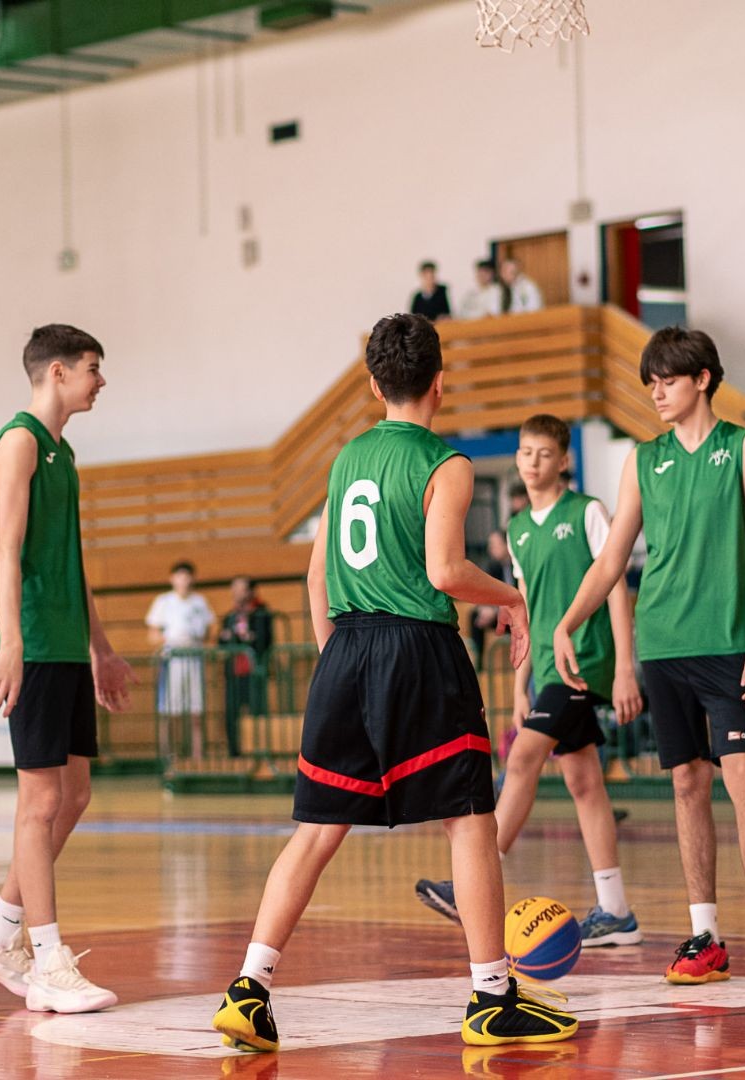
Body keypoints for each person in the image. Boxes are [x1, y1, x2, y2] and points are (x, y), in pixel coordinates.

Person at [211, 313, 578, 1053]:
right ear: (440, 383)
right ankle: (492, 997)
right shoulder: (447, 464)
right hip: (418, 649)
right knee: (469, 819)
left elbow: (316, 575)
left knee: (316, 832)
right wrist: (512, 598)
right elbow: (445, 571)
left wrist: (339, 661)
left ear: (374, 386)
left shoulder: (346, 459)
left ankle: (249, 988)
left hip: (346, 648)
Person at [551, 326, 745, 990]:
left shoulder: (744, 447)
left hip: (730, 642)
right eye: (651, 384)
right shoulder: (642, 459)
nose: (656, 393)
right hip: (662, 643)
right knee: (687, 784)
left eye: (668, 381)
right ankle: (706, 938)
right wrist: (569, 622)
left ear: (703, 380)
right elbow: (612, 559)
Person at [415, 414, 644, 947]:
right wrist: (521, 686)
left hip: (583, 662)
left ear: (564, 460)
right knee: (584, 783)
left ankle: (473, 880)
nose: (532, 462)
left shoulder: (587, 512)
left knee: (521, 759)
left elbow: (614, 586)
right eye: (525, 452)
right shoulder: (517, 530)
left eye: (543, 453)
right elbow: (523, 608)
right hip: (544, 668)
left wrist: (624, 667)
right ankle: (615, 910)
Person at [0, 324, 134, 1015]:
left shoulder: (64, 452)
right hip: (30, 646)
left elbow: (72, 561)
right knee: (38, 804)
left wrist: (101, 647)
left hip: (64, 645)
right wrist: (9, 644)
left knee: (75, 794)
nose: (101, 380)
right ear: (56, 372)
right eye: (92, 367)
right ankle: (49, 959)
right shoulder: (20, 443)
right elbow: (5, 551)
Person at [147, 561, 215, 757]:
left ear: (192, 579)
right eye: (180, 576)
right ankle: (170, 756)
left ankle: (197, 757)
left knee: (196, 711)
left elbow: (211, 628)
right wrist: (170, 641)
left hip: (194, 659)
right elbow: (152, 634)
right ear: (172, 579)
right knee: (170, 711)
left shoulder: (199, 602)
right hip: (173, 661)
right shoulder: (164, 601)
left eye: (187, 576)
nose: (184, 581)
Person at [218, 576, 273, 758]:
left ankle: (260, 752)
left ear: (250, 591)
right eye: (234, 588)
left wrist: (240, 637)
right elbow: (222, 640)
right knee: (232, 713)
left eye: (240, 588)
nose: (236, 592)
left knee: (257, 712)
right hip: (234, 673)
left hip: (254, 672)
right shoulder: (230, 616)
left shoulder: (261, 613)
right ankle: (234, 752)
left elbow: (262, 640)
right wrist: (243, 637)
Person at [469, 530, 516, 661]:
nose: (491, 548)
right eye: (490, 545)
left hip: (517, 616)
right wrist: (484, 609)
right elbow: (483, 594)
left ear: (507, 545)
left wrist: (495, 611)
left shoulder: (518, 566)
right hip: (500, 616)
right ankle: (478, 663)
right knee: (475, 616)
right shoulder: (492, 567)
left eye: (495, 544)